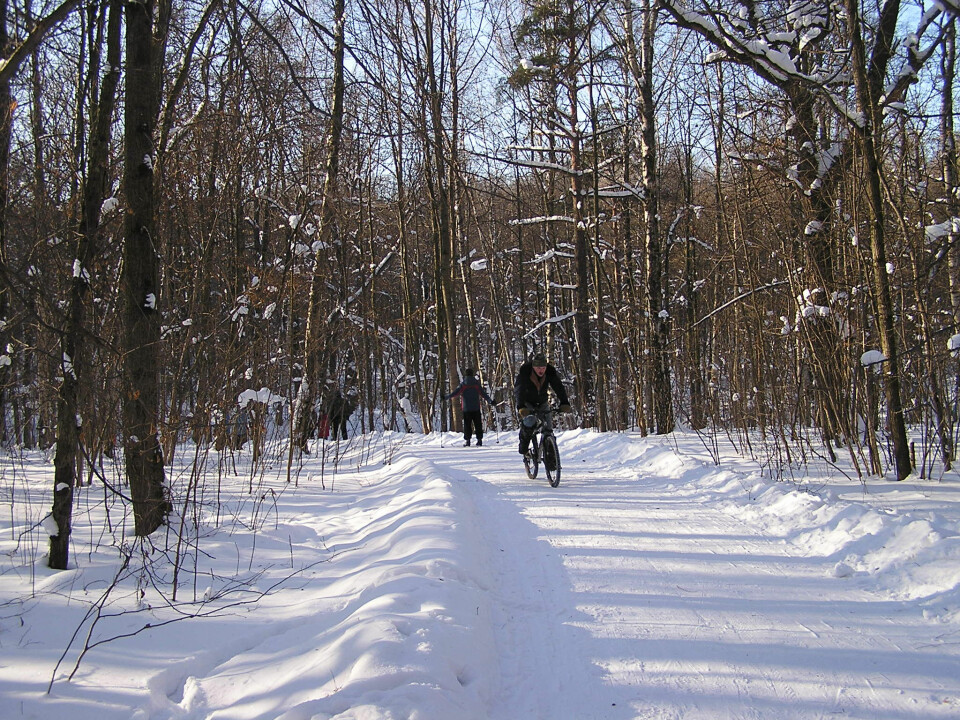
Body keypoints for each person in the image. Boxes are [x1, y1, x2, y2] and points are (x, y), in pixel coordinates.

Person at [514, 353, 571, 455]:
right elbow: (519, 391)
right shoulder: (525, 373)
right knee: (529, 422)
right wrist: (521, 406)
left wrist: (564, 402)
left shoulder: (550, 373)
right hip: (527, 402)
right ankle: (524, 448)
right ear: (533, 367)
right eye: (538, 368)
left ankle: (551, 457)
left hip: (542, 402)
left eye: (543, 368)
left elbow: (558, 387)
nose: (541, 370)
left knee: (548, 428)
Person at [444, 367, 494, 446]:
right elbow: (483, 394)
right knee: (478, 424)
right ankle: (479, 440)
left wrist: (446, 397)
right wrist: (491, 401)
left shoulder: (463, 385)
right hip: (476, 407)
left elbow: (455, 393)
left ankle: (468, 441)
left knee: (467, 425)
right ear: (472, 374)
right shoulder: (476, 384)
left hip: (466, 408)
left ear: (466, 375)